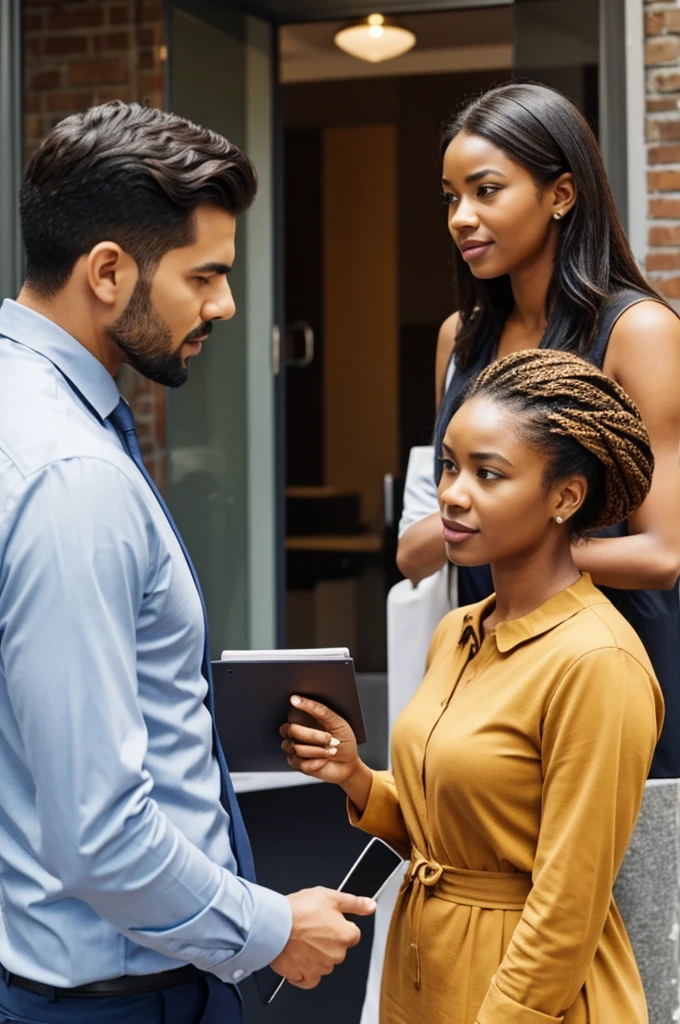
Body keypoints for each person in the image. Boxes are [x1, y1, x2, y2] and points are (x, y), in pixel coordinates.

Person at [0, 101, 375, 1024]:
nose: (226, 304)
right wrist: (271, 926)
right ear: (108, 271)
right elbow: (98, 834)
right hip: (117, 998)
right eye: (204, 275)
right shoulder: (71, 478)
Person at [281, 348, 664, 1024]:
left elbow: (567, 908)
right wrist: (356, 778)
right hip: (426, 974)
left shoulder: (597, 661)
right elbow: (454, 833)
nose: (454, 494)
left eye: (489, 474)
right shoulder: (458, 629)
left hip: (529, 999)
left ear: (565, 497)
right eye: (450, 467)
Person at [396, 82, 680, 779]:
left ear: (560, 194)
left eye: (486, 190)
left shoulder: (636, 332)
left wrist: (516, 543)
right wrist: (476, 524)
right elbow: (415, 551)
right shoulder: (458, 343)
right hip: (490, 665)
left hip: (604, 666)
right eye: (451, 196)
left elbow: (663, 552)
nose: (462, 217)